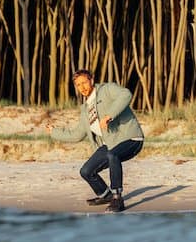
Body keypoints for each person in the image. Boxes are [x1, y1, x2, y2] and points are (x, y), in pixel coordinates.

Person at [46, 70, 144, 212]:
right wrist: (54, 132)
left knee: (112, 155)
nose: (83, 87)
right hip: (110, 144)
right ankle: (106, 195)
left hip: (131, 138)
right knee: (86, 171)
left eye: (84, 82)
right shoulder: (86, 110)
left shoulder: (107, 90)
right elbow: (77, 135)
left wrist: (109, 115)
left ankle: (117, 198)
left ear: (91, 80)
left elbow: (126, 94)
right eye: (79, 85)